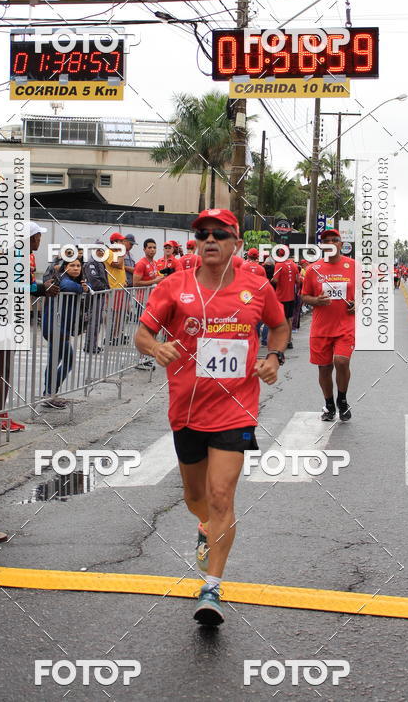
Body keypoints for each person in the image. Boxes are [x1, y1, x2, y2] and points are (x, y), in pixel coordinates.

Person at [134, 208, 289, 627]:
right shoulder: (173, 286)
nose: (210, 240)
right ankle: (205, 525)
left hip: (236, 407)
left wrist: (274, 357)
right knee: (195, 498)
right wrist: (156, 348)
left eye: (220, 234)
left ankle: (212, 587)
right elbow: (142, 334)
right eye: (203, 234)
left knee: (222, 496)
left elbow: (279, 326)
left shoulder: (257, 287)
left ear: (236, 242)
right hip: (186, 408)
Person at [0, 221, 59, 432]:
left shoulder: (19, 256)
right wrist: (41, 288)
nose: (39, 240)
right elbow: (14, 285)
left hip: (9, 314)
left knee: (5, 366)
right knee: (2, 366)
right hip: (5, 315)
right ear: (29, 238)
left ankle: (0, 415)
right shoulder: (14, 256)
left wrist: (40, 288)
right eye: (37, 236)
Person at [301, 228, 355, 422]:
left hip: (345, 325)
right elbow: (304, 296)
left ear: (341, 244)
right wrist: (316, 301)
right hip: (321, 328)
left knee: (341, 361)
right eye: (326, 241)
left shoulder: (353, 266)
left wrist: (358, 303)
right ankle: (329, 404)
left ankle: (342, 399)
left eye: (335, 240)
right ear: (322, 246)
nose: (331, 243)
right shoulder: (313, 269)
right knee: (324, 369)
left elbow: (367, 291)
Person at [42, 259, 90, 407]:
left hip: (60, 327)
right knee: (66, 360)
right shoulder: (63, 279)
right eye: (72, 265)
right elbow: (65, 285)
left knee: (56, 360)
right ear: (65, 267)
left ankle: (49, 393)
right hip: (55, 327)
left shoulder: (74, 280)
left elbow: (90, 287)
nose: (76, 268)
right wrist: (82, 288)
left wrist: (84, 287)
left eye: (78, 266)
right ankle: (49, 394)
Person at [272, 255, 299, 350]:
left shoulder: (279, 265)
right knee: (289, 319)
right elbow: (298, 280)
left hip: (280, 297)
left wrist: (272, 280)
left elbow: (275, 280)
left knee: (279, 320)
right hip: (291, 296)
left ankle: (280, 341)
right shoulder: (294, 265)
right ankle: (289, 341)